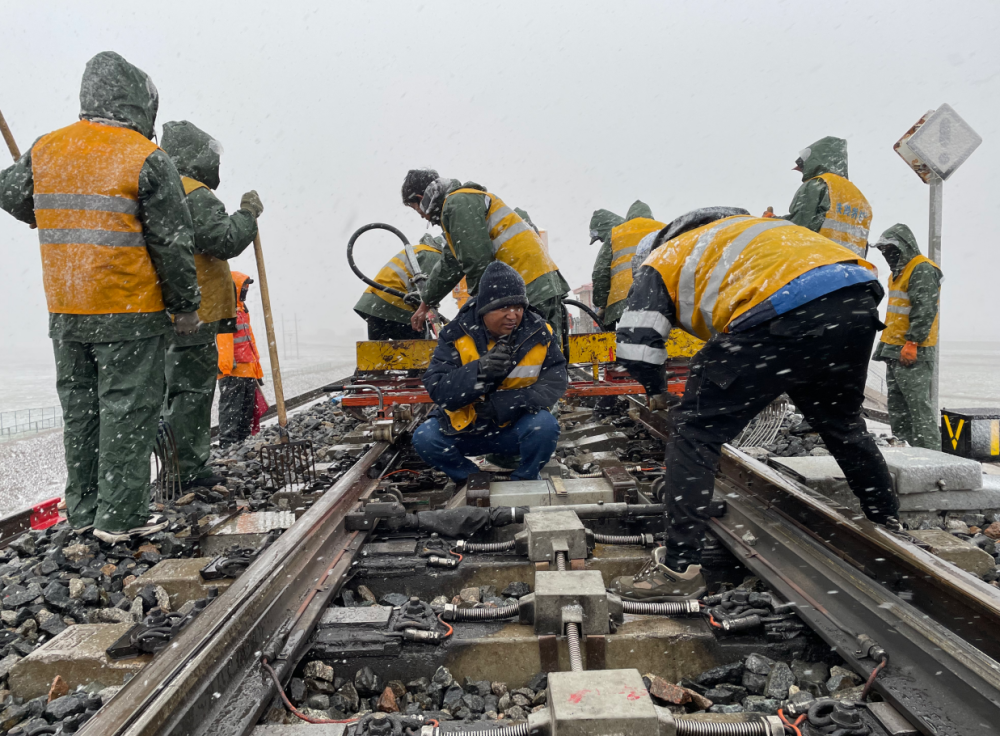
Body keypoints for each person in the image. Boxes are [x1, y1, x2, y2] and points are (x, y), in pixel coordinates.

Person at [612, 207, 900, 601]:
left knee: (695, 432)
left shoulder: (660, 259)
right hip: (855, 300)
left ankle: (679, 568)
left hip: (785, 311)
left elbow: (637, 346)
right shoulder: (744, 235)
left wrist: (656, 390)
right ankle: (887, 521)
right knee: (843, 424)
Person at [0, 52, 200, 543]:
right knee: (127, 410)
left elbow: (9, 191)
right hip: (128, 308)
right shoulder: (145, 156)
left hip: (67, 308)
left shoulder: (48, 147)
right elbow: (172, 242)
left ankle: (85, 507)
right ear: (139, 102)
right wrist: (185, 305)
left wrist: (36, 209)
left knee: (82, 413)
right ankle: (122, 516)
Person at [159, 120, 262, 488]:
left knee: (171, 393)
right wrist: (247, 214)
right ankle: (187, 470)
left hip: (168, 310)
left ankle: (172, 467)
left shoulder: (162, 188)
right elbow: (223, 240)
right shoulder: (193, 192)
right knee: (192, 393)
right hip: (194, 312)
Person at [412, 262, 567, 485]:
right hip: (466, 426)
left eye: (518, 307)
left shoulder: (539, 332)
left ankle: (524, 480)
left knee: (545, 426)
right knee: (426, 439)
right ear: (485, 308)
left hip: (514, 424)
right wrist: (479, 370)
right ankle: (472, 480)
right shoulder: (455, 334)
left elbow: (555, 381)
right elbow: (438, 388)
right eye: (504, 308)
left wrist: (502, 404)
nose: (513, 315)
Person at [400, 169, 571, 341]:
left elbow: (476, 261)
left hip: (526, 284)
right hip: (540, 281)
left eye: (416, 209)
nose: (422, 216)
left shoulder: (458, 203)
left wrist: (480, 306)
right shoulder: (464, 201)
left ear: (421, 199)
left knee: (527, 355)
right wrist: (425, 304)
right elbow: (450, 264)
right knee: (545, 352)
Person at [872, 224, 943, 450]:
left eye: (891, 249)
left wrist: (913, 342)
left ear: (904, 246)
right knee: (899, 407)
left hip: (912, 349)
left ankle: (931, 458)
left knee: (918, 408)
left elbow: (924, 308)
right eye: (884, 251)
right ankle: (907, 451)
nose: (887, 255)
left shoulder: (921, 269)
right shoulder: (899, 272)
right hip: (893, 347)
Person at [767, 136, 872, 257]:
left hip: (819, 260)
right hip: (853, 265)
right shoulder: (858, 196)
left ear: (814, 162)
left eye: (803, 168)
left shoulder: (818, 184)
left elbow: (799, 225)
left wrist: (771, 221)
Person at [354, 233, 444, 340]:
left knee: (379, 353)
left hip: (374, 303)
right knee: (421, 350)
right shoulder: (435, 255)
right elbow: (427, 290)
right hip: (395, 305)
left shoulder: (420, 249)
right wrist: (431, 313)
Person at [591, 201, 663, 330]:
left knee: (626, 340)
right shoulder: (665, 229)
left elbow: (600, 272)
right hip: (659, 298)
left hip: (622, 302)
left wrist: (602, 304)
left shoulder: (615, 233)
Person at [217, 272, 265, 447]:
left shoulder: (243, 311)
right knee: (231, 409)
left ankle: (242, 442)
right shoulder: (224, 311)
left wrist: (257, 370)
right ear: (234, 289)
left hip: (247, 370)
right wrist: (227, 367)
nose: (245, 290)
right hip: (233, 370)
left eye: (247, 288)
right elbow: (222, 341)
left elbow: (250, 343)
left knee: (246, 410)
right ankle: (228, 444)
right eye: (243, 287)